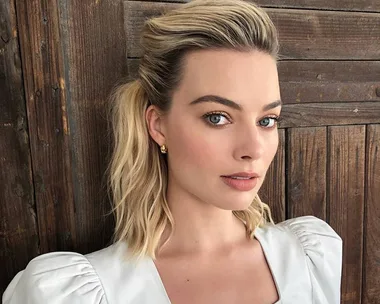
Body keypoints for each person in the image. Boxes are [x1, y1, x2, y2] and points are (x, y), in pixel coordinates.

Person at [2, 0, 342, 303]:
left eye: (267, 120)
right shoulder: (73, 294)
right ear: (158, 125)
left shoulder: (311, 258)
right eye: (218, 117)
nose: (253, 149)